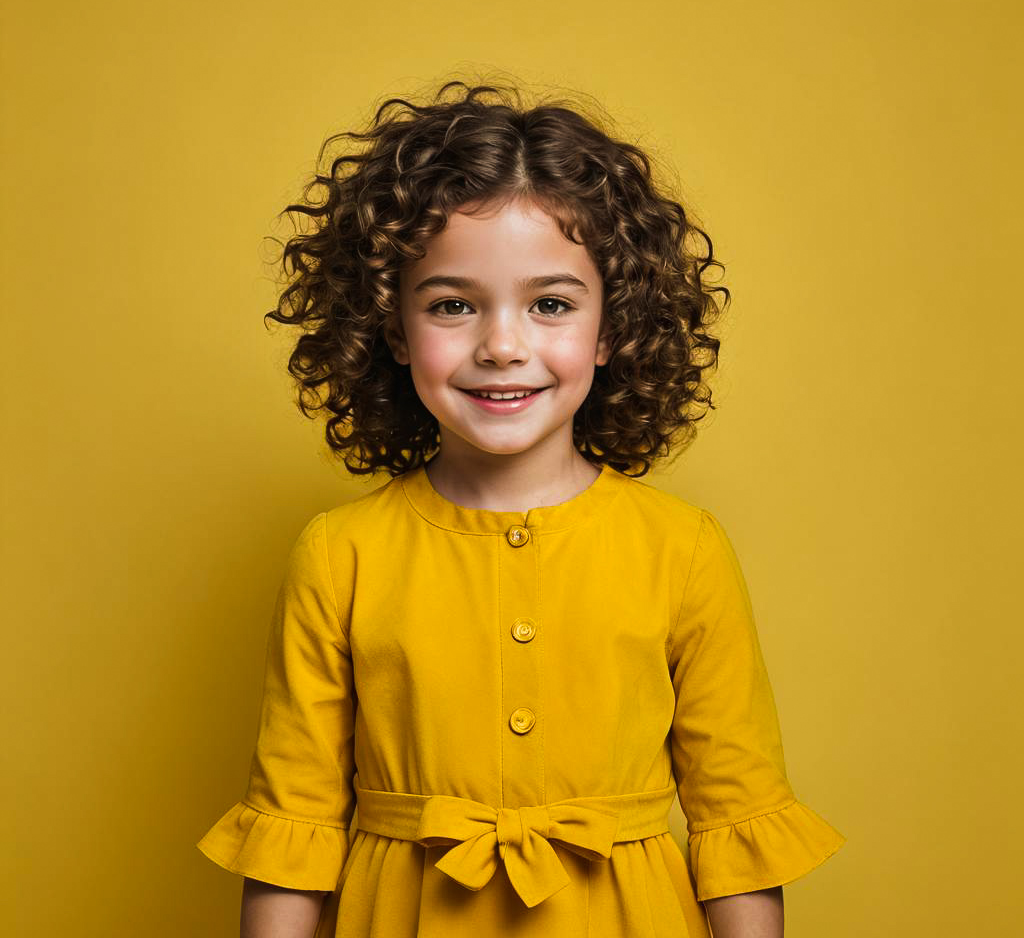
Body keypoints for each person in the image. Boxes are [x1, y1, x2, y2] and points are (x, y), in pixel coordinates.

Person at [196, 79, 846, 938]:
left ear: (612, 327)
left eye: (550, 304)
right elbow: (293, 829)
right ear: (393, 327)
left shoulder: (683, 549)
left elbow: (738, 822)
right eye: (454, 305)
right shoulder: (339, 554)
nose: (503, 345)